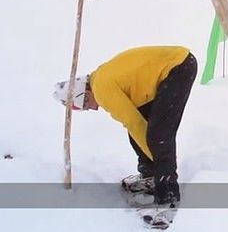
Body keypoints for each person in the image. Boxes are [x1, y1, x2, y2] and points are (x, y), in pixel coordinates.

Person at [53, 46, 197, 207]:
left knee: (158, 136)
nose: (92, 109)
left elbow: (134, 122)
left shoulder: (102, 90)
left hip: (177, 67)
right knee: (142, 134)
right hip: (171, 67)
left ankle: (168, 196)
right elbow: (135, 125)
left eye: (85, 106)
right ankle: (150, 176)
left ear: (85, 96)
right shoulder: (98, 79)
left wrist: (159, 159)